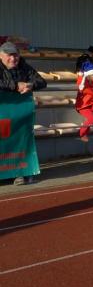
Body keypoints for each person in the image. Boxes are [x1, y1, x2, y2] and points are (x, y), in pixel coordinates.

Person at [0, 41, 47, 185]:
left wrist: (30, 85)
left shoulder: (24, 66)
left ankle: (17, 173)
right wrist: (15, 86)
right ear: (1, 55)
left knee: (16, 141)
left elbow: (42, 82)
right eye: (9, 55)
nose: (13, 58)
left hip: (17, 115)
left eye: (15, 55)